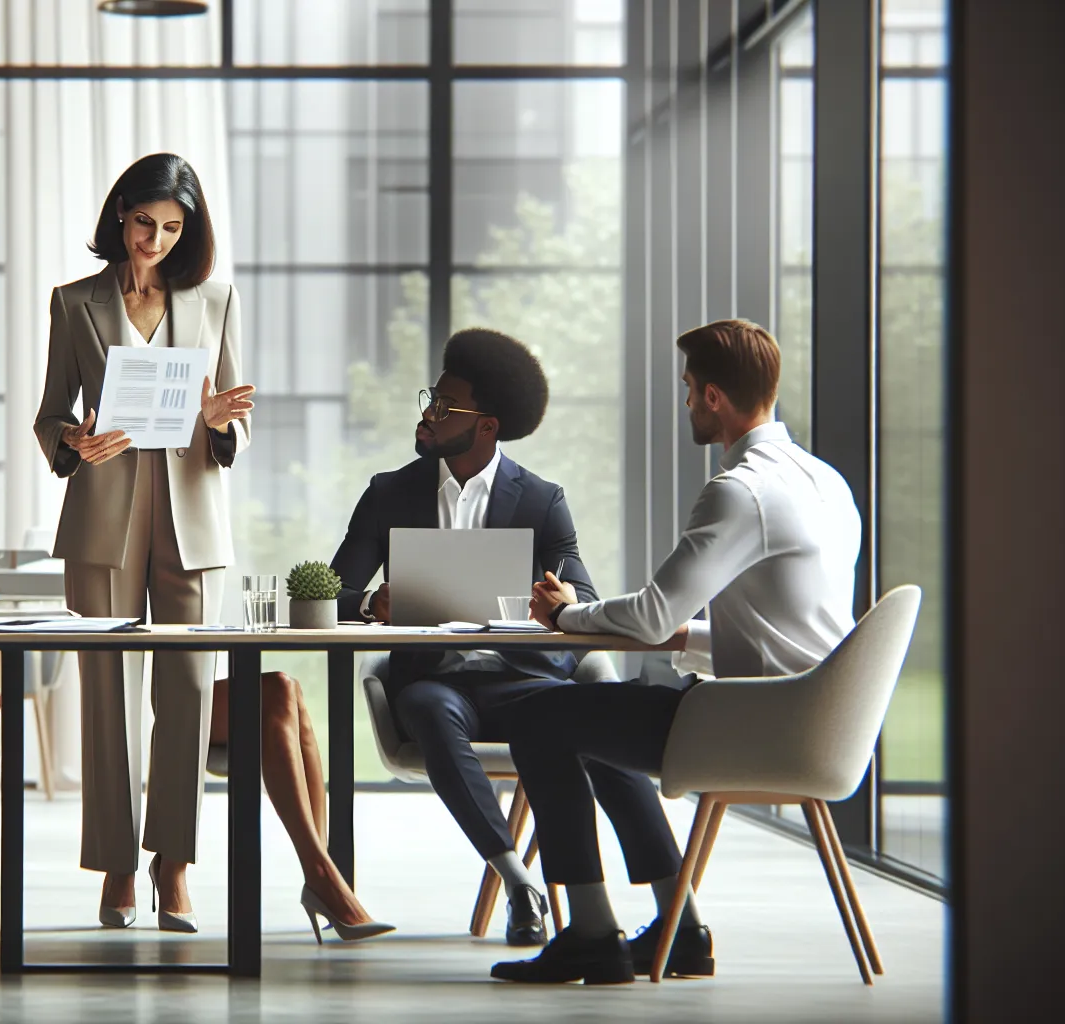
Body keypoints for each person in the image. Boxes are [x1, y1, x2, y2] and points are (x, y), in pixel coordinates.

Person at [489, 319, 861, 985]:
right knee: (596, 716)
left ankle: (592, 934)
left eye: (689, 389)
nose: (687, 402)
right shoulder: (827, 483)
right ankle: (680, 929)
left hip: (754, 726)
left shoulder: (740, 491)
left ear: (714, 397)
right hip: (816, 724)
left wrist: (567, 613)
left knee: (540, 719)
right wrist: (687, 638)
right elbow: (789, 637)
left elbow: (654, 612)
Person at [33, 152, 256, 930]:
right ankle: (117, 866)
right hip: (104, 515)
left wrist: (223, 424)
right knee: (107, 697)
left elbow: (236, 417)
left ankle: (175, 865)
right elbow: (50, 413)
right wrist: (73, 441)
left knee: (188, 692)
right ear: (120, 213)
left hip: (193, 516)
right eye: (142, 223)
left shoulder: (215, 300)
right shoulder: (75, 302)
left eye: (170, 228)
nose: (153, 240)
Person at [328, 327, 598, 948]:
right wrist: (370, 604)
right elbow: (327, 592)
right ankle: (519, 882)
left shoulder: (541, 501)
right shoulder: (390, 493)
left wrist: (552, 601)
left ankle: (582, 905)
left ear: (487, 427)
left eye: (446, 407)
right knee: (427, 707)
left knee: (564, 717)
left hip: (520, 679)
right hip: (436, 682)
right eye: (432, 399)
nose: (429, 414)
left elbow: (582, 597)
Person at [204, 673, 395, 942]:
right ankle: (322, 876)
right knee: (279, 688)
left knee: (291, 691)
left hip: (206, 687)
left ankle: (323, 871)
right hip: (180, 700)